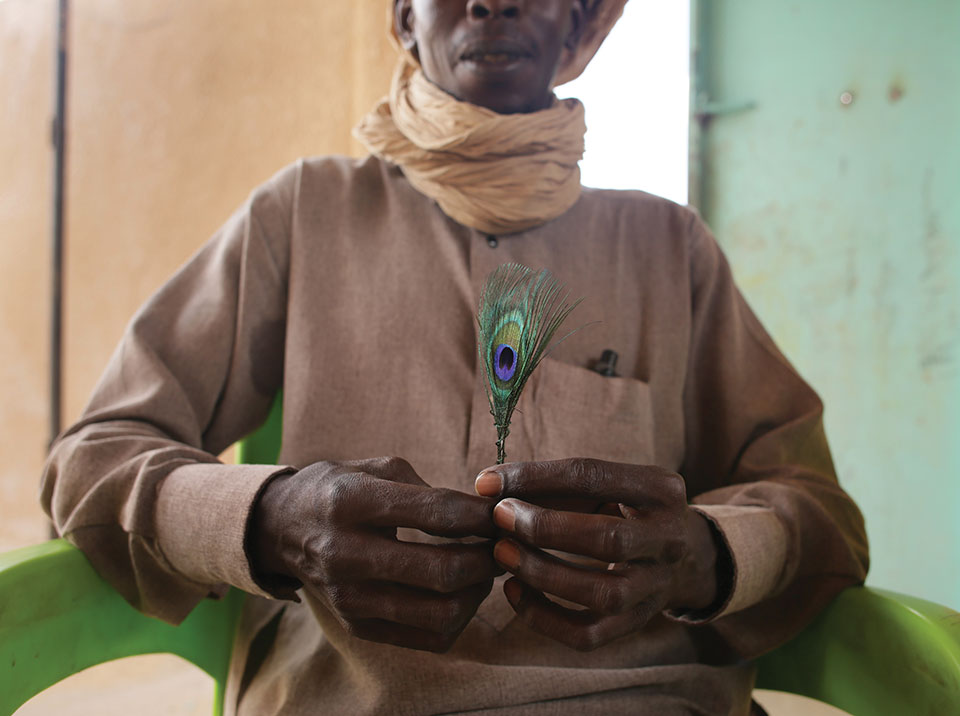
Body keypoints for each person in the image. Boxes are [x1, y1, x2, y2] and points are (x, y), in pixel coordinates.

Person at [41, 1, 869, 714]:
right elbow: (93, 458)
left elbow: (820, 512)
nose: (490, 1)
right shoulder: (304, 213)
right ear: (405, 19)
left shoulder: (666, 245)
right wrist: (269, 520)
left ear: (578, 22)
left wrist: (704, 555)